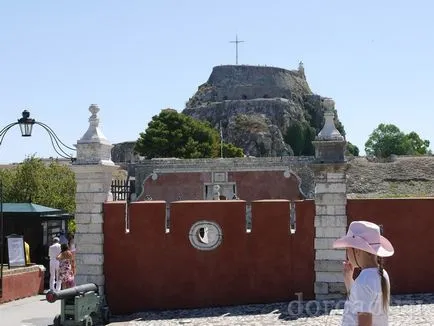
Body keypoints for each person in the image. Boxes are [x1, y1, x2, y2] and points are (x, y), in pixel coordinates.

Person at [333, 221, 394, 326]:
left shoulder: (363, 281)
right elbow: (360, 300)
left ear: (357, 250)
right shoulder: (382, 274)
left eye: (348, 249)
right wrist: (348, 280)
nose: (347, 255)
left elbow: (364, 322)